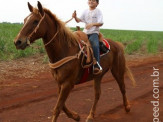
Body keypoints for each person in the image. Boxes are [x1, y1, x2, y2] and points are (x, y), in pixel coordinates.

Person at [72, 0, 103, 75]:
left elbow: (101, 23)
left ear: (97, 3)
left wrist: (92, 24)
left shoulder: (98, 11)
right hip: (85, 33)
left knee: (95, 45)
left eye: (93, 1)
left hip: (93, 33)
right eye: (90, 0)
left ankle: (96, 65)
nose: (91, 1)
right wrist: (75, 17)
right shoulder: (85, 11)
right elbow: (79, 20)